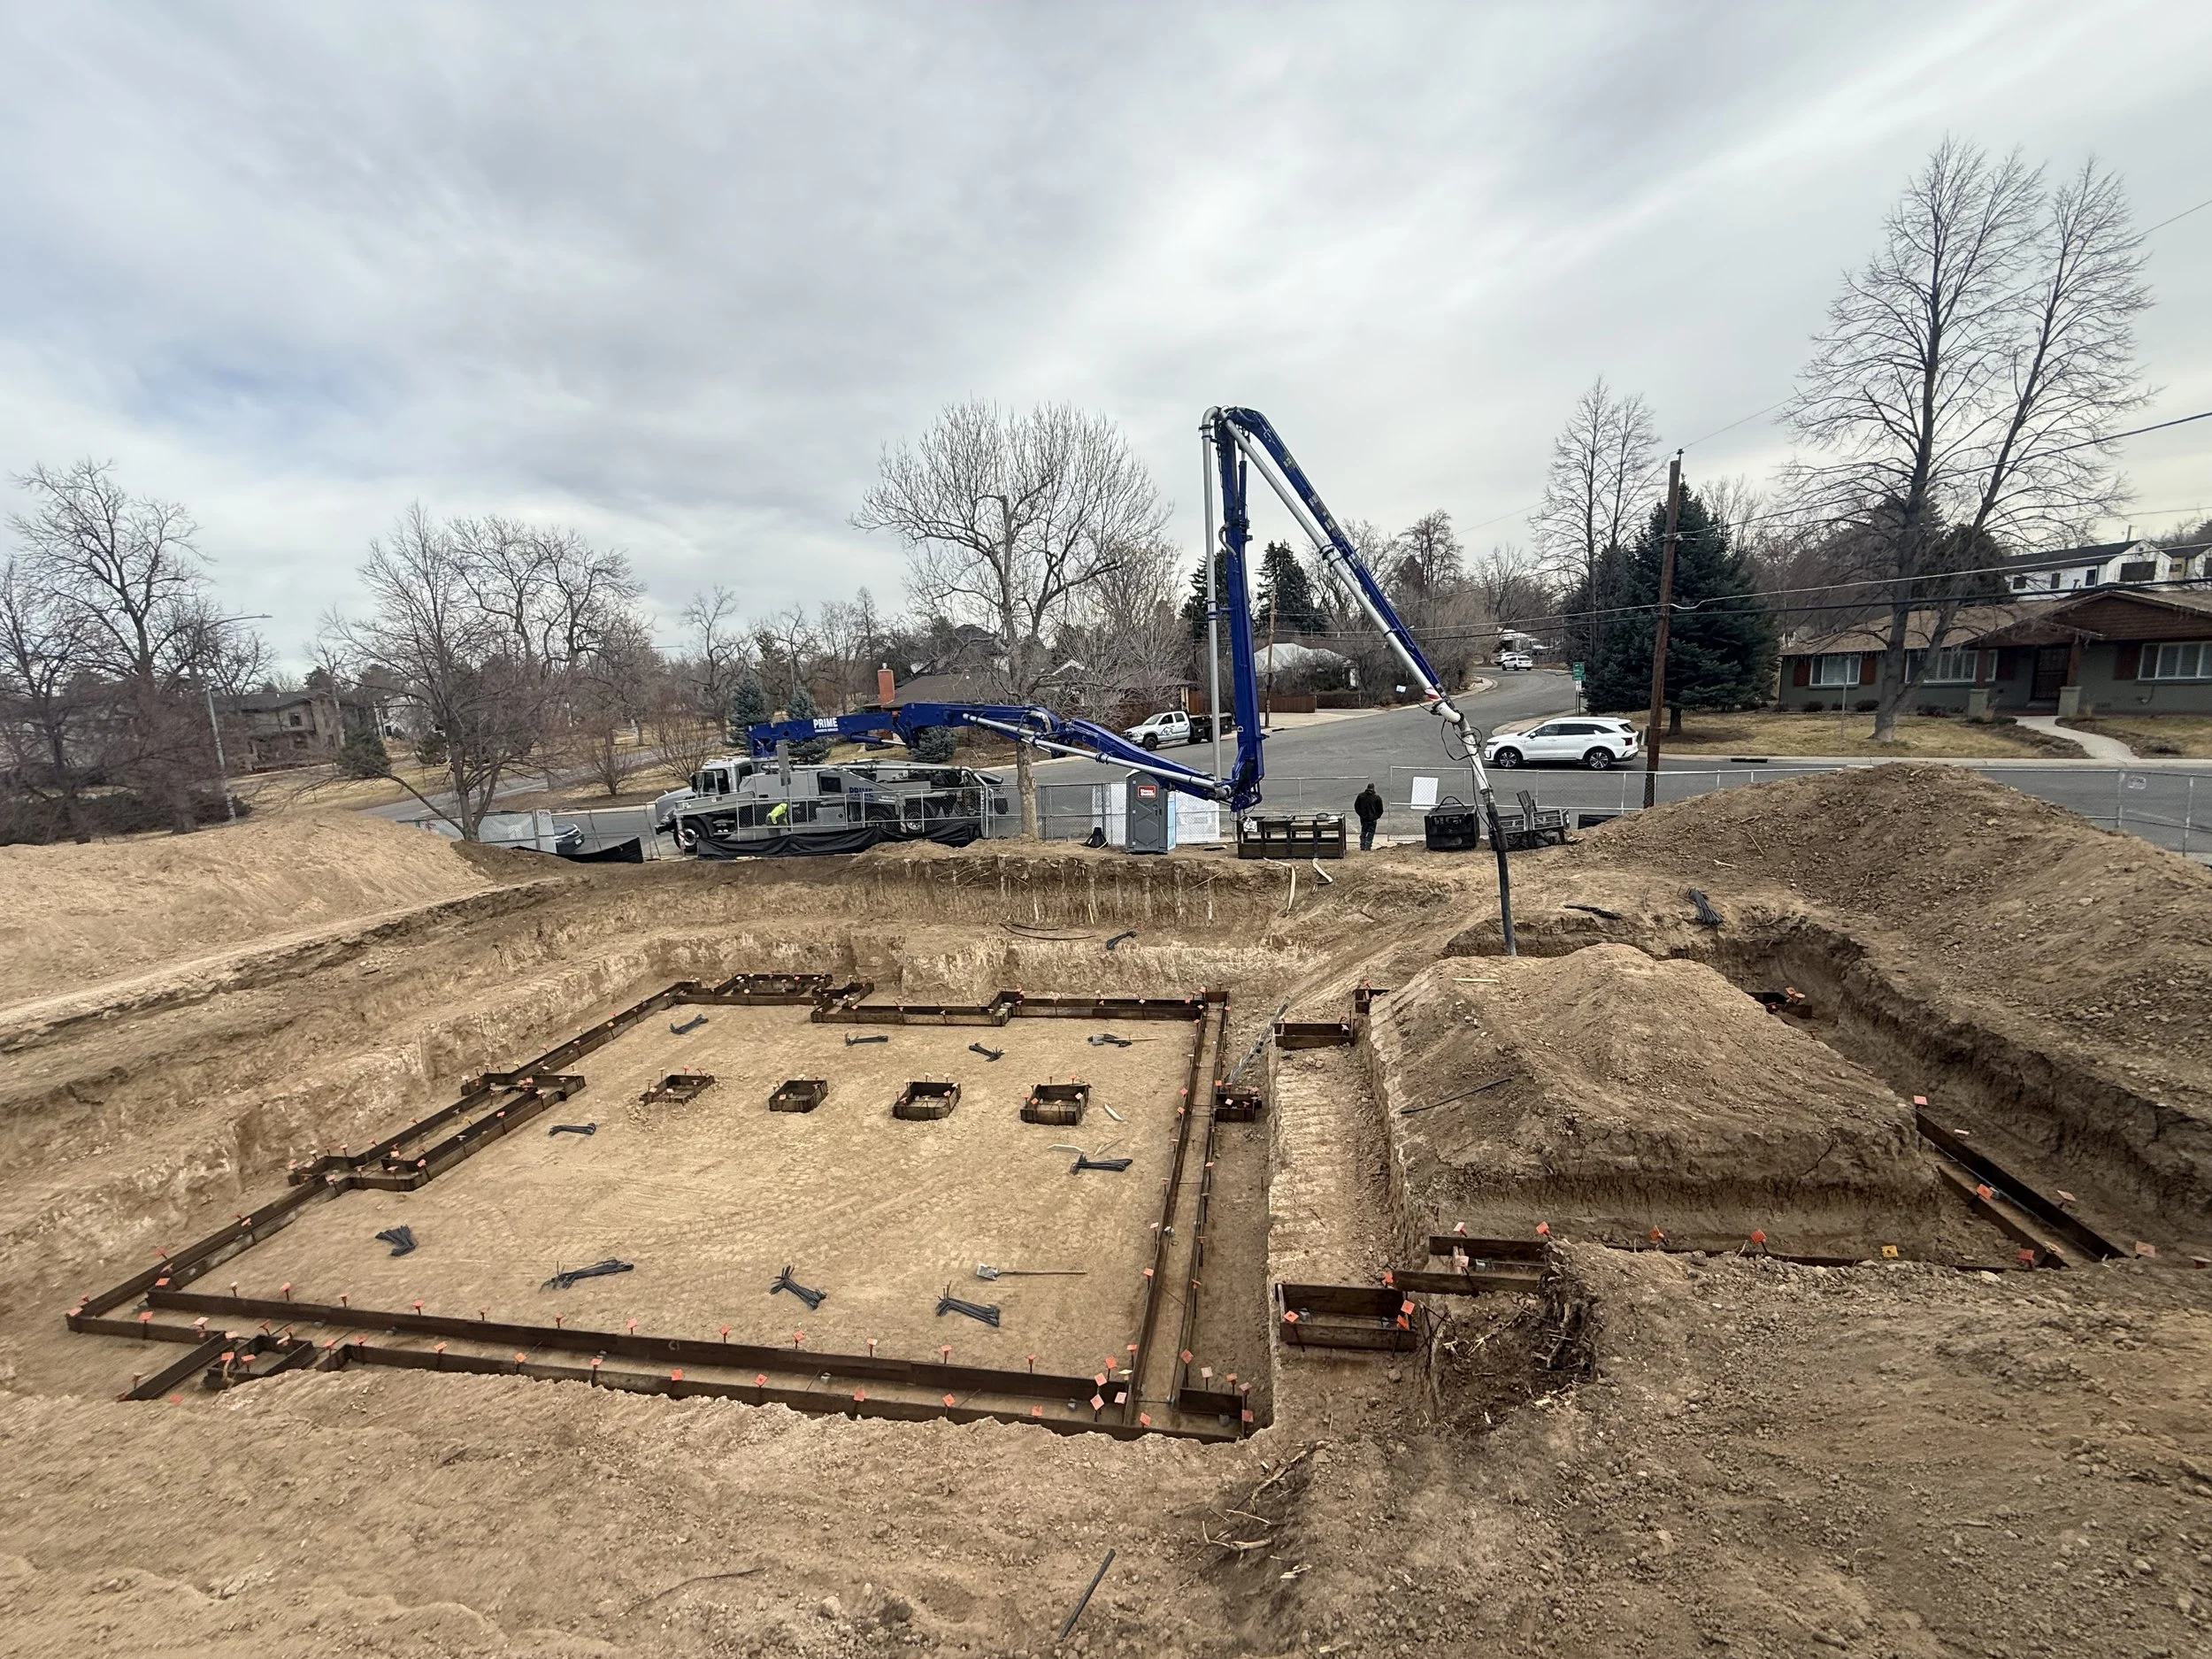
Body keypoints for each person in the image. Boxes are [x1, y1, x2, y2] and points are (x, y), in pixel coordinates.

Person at [1354, 783, 1384, 852]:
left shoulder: (1361, 796)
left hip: (1363, 818)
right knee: (1371, 833)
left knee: (1363, 831)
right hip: (1372, 819)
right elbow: (1380, 810)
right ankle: (1368, 847)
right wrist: (1376, 817)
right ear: (1373, 789)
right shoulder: (1377, 798)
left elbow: (1356, 806)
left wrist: (1361, 814)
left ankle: (1362, 846)